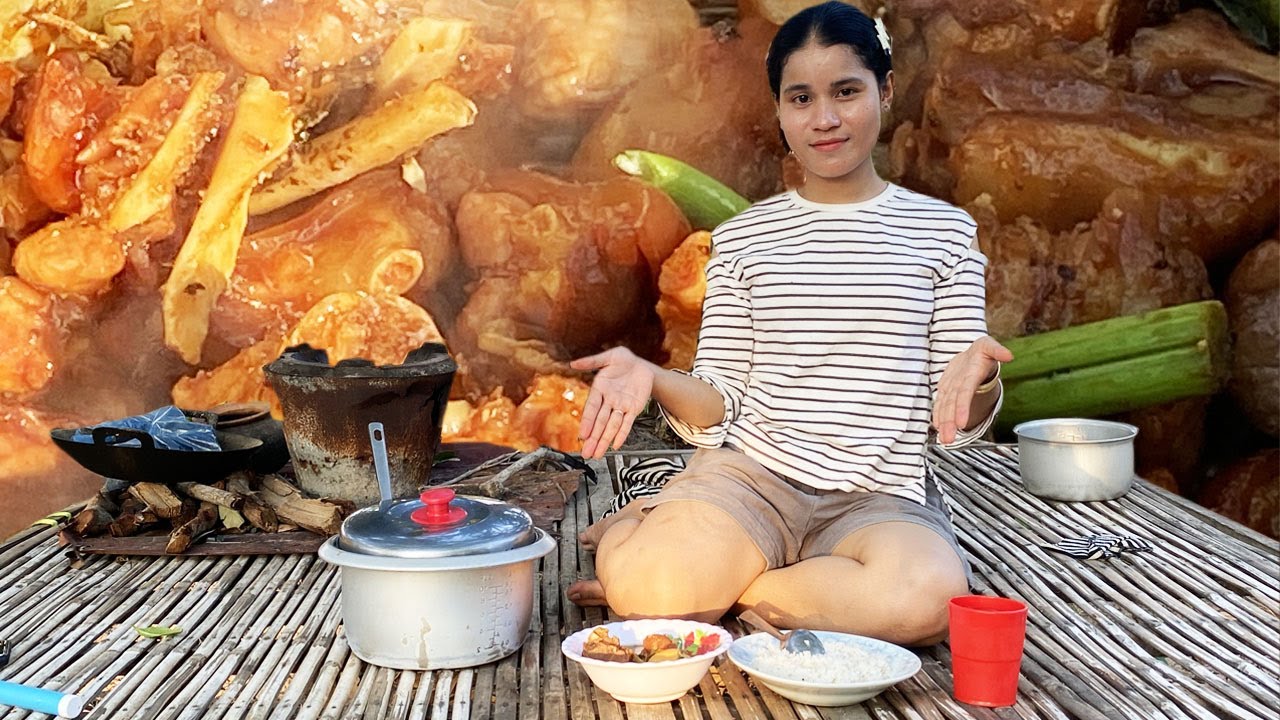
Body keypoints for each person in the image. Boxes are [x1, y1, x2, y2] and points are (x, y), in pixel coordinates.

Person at [565, 1, 1012, 647]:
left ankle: (715, 587)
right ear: (779, 109)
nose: (824, 119)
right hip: (748, 483)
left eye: (846, 92)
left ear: (885, 91)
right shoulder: (746, 238)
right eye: (800, 98)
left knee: (928, 600)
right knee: (656, 591)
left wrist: (982, 384)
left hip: (878, 499)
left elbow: (960, 419)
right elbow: (717, 405)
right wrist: (653, 377)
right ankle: (668, 551)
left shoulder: (942, 232)